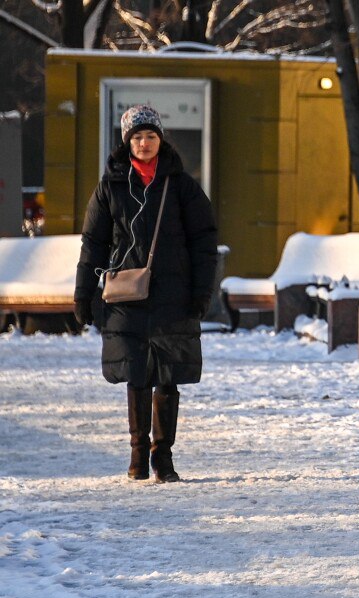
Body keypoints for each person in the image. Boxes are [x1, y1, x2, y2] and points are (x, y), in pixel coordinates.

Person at [74, 104, 218, 483]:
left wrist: (202, 291)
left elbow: (204, 241)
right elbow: (94, 243)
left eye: (151, 135)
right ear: (127, 142)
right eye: (137, 136)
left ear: (160, 139)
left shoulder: (181, 185)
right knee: (136, 374)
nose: (144, 142)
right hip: (126, 296)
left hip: (175, 294)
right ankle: (138, 454)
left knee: (167, 377)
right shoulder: (110, 187)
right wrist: (83, 292)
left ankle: (163, 458)